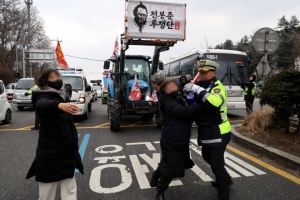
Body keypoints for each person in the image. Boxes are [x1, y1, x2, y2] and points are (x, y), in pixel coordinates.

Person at [26, 69, 84, 200]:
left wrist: (68, 85)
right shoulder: (41, 95)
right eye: (54, 78)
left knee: (70, 189)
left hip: (68, 152)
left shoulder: (62, 93)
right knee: (47, 192)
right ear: (46, 82)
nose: (59, 80)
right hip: (50, 154)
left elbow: (67, 91)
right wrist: (59, 106)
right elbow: (42, 105)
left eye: (59, 77)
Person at [184, 60, 232, 200]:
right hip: (205, 129)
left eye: (205, 72)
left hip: (219, 130)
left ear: (214, 73)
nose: (202, 75)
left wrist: (197, 90)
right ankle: (225, 179)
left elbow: (214, 103)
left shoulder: (218, 87)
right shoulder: (199, 86)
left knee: (217, 165)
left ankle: (224, 194)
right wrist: (188, 95)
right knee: (206, 156)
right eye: (200, 72)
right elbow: (193, 106)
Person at [150, 80, 204, 200]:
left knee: (166, 162)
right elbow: (184, 112)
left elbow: (187, 107)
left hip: (179, 139)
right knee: (171, 167)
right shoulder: (167, 103)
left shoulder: (176, 98)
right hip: (172, 140)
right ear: (165, 91)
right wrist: (202, 104)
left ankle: (154, 178)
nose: (175, 89)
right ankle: (160, 191)